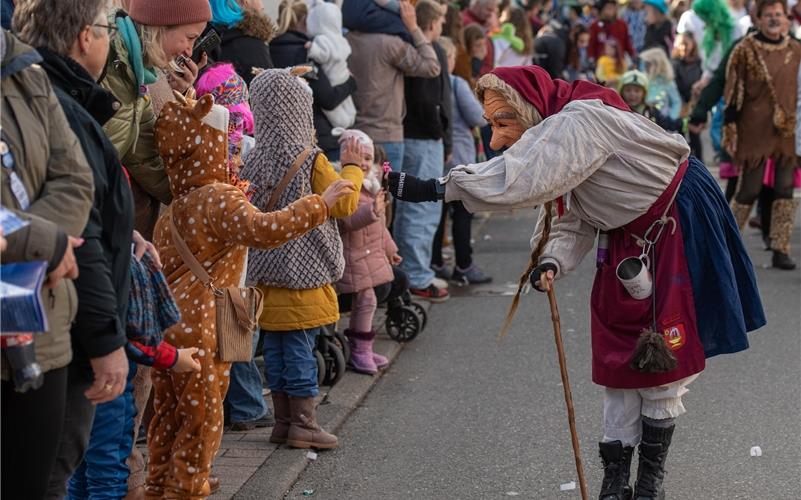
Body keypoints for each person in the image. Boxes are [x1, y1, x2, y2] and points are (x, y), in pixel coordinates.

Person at [385, 64, 765, 500]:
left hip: (672, 227)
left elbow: (520, 177)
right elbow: (575, 213)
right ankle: (615, 483)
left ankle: (649, 485)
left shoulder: (578, 121)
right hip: (627, 239)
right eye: (491, 125)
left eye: (503, 122)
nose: (496, 139)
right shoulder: (561, 134)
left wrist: (434, 188)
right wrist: (552, 259)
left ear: (529, 109)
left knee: (661, 362)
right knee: (619, 358)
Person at [146, 91, 353, 497]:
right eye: (229, 143)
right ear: (211, 146)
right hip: (207, 322)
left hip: (168, 324)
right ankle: (188, 486)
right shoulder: (218, 197)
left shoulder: (178, 202)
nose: (236, 153)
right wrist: (321, 204)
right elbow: (265, 231)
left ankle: (161, 480)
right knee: (203, 413)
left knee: (167, 410)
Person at [12, 1, 141, 497]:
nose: (111, 39)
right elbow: (80, 235)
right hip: (52, 323)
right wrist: (106, 342)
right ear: (85, 36)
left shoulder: (46, 95)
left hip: (46, 316)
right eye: (109, 29)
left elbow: (78, 206)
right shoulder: (56, 102)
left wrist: (124, 232)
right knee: (48, 473)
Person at [241, 69, 365, 451]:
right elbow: (344, 202)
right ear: (301, 111)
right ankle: (304, 424)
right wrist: (354, 168)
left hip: (263, 278)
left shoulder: (251, 157)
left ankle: (281, 421)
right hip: (303, 278)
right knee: (299, 353)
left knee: (276, 352)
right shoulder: (310, 160)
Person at [1, 28, 95, 500]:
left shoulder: (24, 69)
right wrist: (48, 245)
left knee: (31, 487)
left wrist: (41, 248)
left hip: (39, 324)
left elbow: (75, 178)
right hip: (43, 277)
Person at [102, 0, 211, 240]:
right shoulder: (105, 58)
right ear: (161, 26)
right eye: (190, 37)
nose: (190, 51)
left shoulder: (136, 70)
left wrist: (195, 200)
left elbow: (146, 155)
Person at [724, 0, 801, 270]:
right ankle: (726, 243)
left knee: (784, 189)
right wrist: (730, 126)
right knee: (749, 189)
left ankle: (780, 249)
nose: (774, 19)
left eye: (778, 14)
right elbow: (732, 91)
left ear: (786, 18)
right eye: (768, 14)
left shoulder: (795, 49)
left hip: (786, 131)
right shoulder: (745, 49)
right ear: (757, 18)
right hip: (753, 129)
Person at [396, 0, 452, 302]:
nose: (443, 25)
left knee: (411, 208)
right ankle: (417, 273)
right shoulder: (429, 52)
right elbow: (434, 101)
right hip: (424, 137)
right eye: (441, 21)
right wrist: (442, 134)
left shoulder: (406, 49)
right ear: (431, 23)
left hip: (409, 134)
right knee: (422, 208)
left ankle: (414, 270)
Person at [335, 130, 402, 374]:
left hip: (368, 255)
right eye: (358, 157)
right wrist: (371, 211)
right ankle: (360, 351)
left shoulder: (373, 187)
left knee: (367, 301)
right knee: (366, 300)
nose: (364, 163)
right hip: (352, 256)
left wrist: (390, 250)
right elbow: (346, 220)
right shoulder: (345, 186)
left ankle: (362, 347)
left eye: (368, 157)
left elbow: (381, 229)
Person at [348, 0, 441, 172]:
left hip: (355, 136)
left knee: (358, 195)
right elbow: (432, 66)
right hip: (388, 138)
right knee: (387, 194)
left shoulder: (347, 40)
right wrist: (413, 28)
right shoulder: (390, 44)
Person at [431, 36, 492, 285]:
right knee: (463, 212)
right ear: (450, 60)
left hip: (438, 156)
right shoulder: (456, 83)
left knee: (438, 213)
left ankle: (434, 261)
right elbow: (478, 117)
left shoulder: (427, 83)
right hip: (460, 157)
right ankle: (464, 265)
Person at [271, 0, 358, 162]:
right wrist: (351, 82)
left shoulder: (269, 48)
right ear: (306, 21)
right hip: (317, 138)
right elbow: (328, 99)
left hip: (279, 138)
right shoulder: (305, 52)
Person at [306, 0, 357, 130]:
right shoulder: (341, 40)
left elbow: (322, 55)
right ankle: (350, 118)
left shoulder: (321, 40)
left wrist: (312, 48)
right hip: (343, 74)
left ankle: (341, 124)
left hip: (332, 77)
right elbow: (346, 52)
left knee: (334, 111)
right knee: (347, 103)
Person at [207, 0, 276, 87]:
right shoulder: (252, 46)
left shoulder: (205, 42)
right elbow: (269, 94)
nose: (262, 5)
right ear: (245, 1)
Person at [618, 69, 685, 132]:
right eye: (628, 90)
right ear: (621, 92)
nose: (632, 94)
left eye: (637, 91)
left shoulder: (652, 111)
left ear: (644, 93)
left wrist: (683, 122)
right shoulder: (617, 112)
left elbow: (668, 125)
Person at [673, 32, 704, 158]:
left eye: (686, 44)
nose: (684, 48)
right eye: (681, 45)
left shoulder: (699, 63)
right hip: (680, 103)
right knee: (680, 134)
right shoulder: (675, 63)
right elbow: (675, 85)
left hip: (694, 103)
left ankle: (700, 162)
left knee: (695, 136)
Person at [640, 46, 682, 121]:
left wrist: (671, 119)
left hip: (662, 121)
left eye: (648, 64)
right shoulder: (643, 79)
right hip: (644, 118)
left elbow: (676, 102)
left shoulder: (667, 82)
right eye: (645, 63)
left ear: (658, 65)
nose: (645, 66)